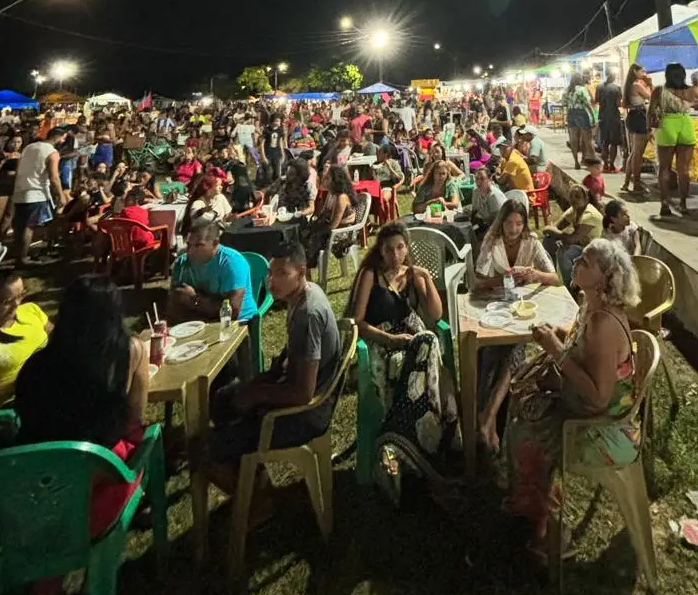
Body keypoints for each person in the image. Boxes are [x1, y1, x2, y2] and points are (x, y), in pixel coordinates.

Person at [13, 277, 151, 595]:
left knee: (65, 486)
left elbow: (27, 419)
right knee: (141, 444)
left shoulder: (36, 365)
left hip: (33, 484)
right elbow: (135, 418)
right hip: (97, 472)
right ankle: (98, 571)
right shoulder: (130, 352)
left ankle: (44, 592)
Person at [506, 237, 641, 559]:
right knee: (522, 408)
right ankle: (533, 504)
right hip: (587, 410)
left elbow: (598, 397)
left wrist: (557, 351)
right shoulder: (591, 307)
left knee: (526, 432)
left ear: (605, 278)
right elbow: (584, 350)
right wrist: (561, 337)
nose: (576, 263)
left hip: (605, 428)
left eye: (585, 262)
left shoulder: (604, 322)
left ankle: (547, 525)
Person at [207, 241, 341, 516]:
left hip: (305, 415)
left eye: (282, 273)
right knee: (220, 401)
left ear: (301, 271)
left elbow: (303, 393)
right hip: (293, 395)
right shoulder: (302, 295)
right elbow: (289, 360)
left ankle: (260, 502)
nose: (272, 281)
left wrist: (259, 394)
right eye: (270, 273)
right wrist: (259, 384)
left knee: (202, 450)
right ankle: (255, 481)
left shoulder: (308, 313)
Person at [347, 224, 458, 497]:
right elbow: (357, 322)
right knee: (429, 344)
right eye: (389, 249)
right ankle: (430, 437)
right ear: (380, 251)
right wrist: (391, 340)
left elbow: (436, 314)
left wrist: (426, 278)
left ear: (407, 248)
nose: (395, 255)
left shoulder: (411, 275)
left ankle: (406, 439)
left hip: (415, 342)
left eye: (400, 248)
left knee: (427, 341)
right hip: (382, 344)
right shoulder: (370, 275)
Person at [472, 202, 557, 452]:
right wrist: (503, 279)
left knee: (511, 350)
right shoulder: (492, 240)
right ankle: (487, 419)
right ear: (501, 222)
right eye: (509, 223)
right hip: (494, 309)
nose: (514, 229)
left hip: (522, 311)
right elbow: (478, 281)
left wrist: (533, 275)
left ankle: (487, 418)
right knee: (493, 352)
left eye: (519, 223)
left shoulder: (531, 241)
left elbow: (554, 277)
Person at [0, 269, 51, 419]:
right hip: (10, 409)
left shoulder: (31, 310)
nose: (17, 304)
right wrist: (18, 385)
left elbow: (58, 339)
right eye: (7, 302)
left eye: (20, 295)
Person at [169, 217, 258, 324]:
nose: (190, 251)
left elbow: (232, 311)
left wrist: (194, 299)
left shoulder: (231, 262)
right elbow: (173, 307)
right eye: (188, 245)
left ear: (215, 243)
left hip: (239, 323)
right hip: (198, 321)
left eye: (198, 245)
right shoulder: (182, 264)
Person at [647, 63, 698, 217]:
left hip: (667, 124)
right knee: (684, 170)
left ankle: (664, 203)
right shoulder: (690, 90)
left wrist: (649, 129)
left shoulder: (659, 90)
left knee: (664, 168)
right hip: (686, 124)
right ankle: (683, 204)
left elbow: (651, 111)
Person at [10, 131, 65, 263]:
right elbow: (54, 177)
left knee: (19, 225)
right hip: (36, 193)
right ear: (57, 137)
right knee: (29, 226)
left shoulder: (28, 147)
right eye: (63, 138)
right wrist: (61, 195)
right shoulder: (52, 153)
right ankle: (23, 257)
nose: (63, 141)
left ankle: (17, 254)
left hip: (20, 190)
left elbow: (18, 168)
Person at [542, 183, 603, 284]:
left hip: (591, 250)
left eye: (577, 197)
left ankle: (571, 285)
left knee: (564, 252)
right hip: (579, 245)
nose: (574, 200)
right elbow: (557, 227)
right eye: (571, 197)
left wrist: (551, 230)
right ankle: (551, 273)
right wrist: (552, 230)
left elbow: (572, 239)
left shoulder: (591, 214)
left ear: (586, 198)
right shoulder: (575, 209)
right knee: (548, 240)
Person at [301, 165, 359, 270]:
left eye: (328, 177)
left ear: (335, 181)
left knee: (312, 237)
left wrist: (317, 228)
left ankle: (308, 265)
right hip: (332, 226)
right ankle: (305, 265)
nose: (324, 179)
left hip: (342, 233)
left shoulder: (341, 197)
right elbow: (324, 213)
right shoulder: (331, 193)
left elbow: (333, 224)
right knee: (305, 231)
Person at [622, 64, 653, 195]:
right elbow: (652, 97)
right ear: (635, 71)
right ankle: (636, 184)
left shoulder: (630, 85)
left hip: (633, 116)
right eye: (642, 71)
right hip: (639, 118)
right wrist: (650, 84)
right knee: (638, 154)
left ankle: (626, 182)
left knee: (634, 152)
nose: (644, 73)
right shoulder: (636, 85)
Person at [563, 75, 596, 170]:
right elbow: (588, 104)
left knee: (574, 139)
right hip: (582, 114)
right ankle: (591, 162)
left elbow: (564, 104)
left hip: (571, 114)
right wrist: (593, 117)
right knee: (588, 139)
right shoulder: (582, 89)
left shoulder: (567, 90)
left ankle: (576, 162)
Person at [594, 74, 624, 173]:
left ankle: (605, 165)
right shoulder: (616, 88)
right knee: (614, 143)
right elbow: (618, 104)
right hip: (614, 117)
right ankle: (611, 165)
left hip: (602, 117)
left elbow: (596, 100)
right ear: (613, 77)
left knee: (604, 142)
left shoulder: (599, 87)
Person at [470, 164, 507, 233]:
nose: (479, 182)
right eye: (477, 179)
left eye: (482, 179)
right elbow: (474, 212)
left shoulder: (494, 196)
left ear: (489, 179)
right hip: (485, 224)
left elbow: (498, 221)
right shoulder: (475, 192)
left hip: (500, 228)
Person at [263, 116, 286, 182]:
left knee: (277, 173)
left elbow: (280, 142)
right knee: (269, 173)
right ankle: (267, 185)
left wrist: (283, 154)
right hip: (268, 154)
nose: (279, 122)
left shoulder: (280, 130)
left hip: (277, 154)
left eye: (279, 121)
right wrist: (263, 157)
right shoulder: (267, 130)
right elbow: (262, 144)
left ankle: (276, 185)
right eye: (277, 121)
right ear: (273, 121)